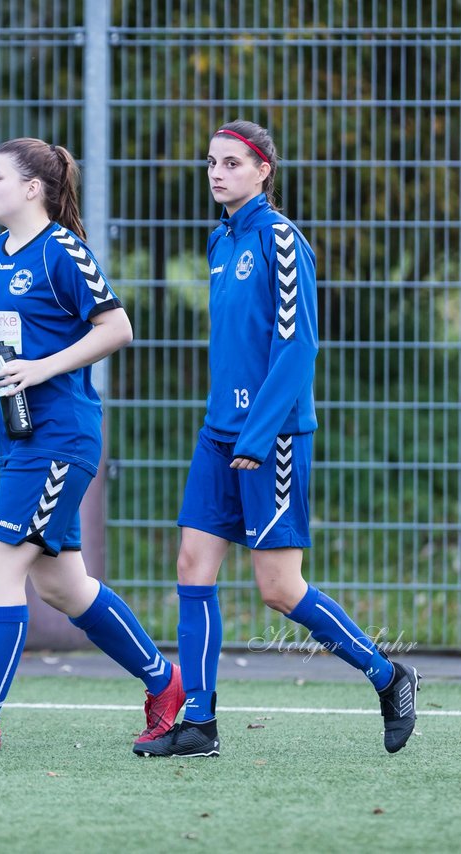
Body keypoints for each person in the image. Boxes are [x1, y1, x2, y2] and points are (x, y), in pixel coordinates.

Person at [134, 120, 420, 759]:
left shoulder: (282, 241)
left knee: (279, 588)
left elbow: (296, 350)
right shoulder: (219, 241)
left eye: (233, 163)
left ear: (264, 170)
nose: (217, 173)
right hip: (218, 434)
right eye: (211, 162)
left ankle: (389, 675)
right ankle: (200, 723)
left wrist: (259, 435)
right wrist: (228, 427)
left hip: (273, 440)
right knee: (192, 567)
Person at [0, 138, 184, 753]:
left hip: (61, 438)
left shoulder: (64, 251)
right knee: (62, 585)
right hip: (20, 434)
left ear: (33, 188)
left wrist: (43, 368)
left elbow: (117, 328)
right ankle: (166, 683)